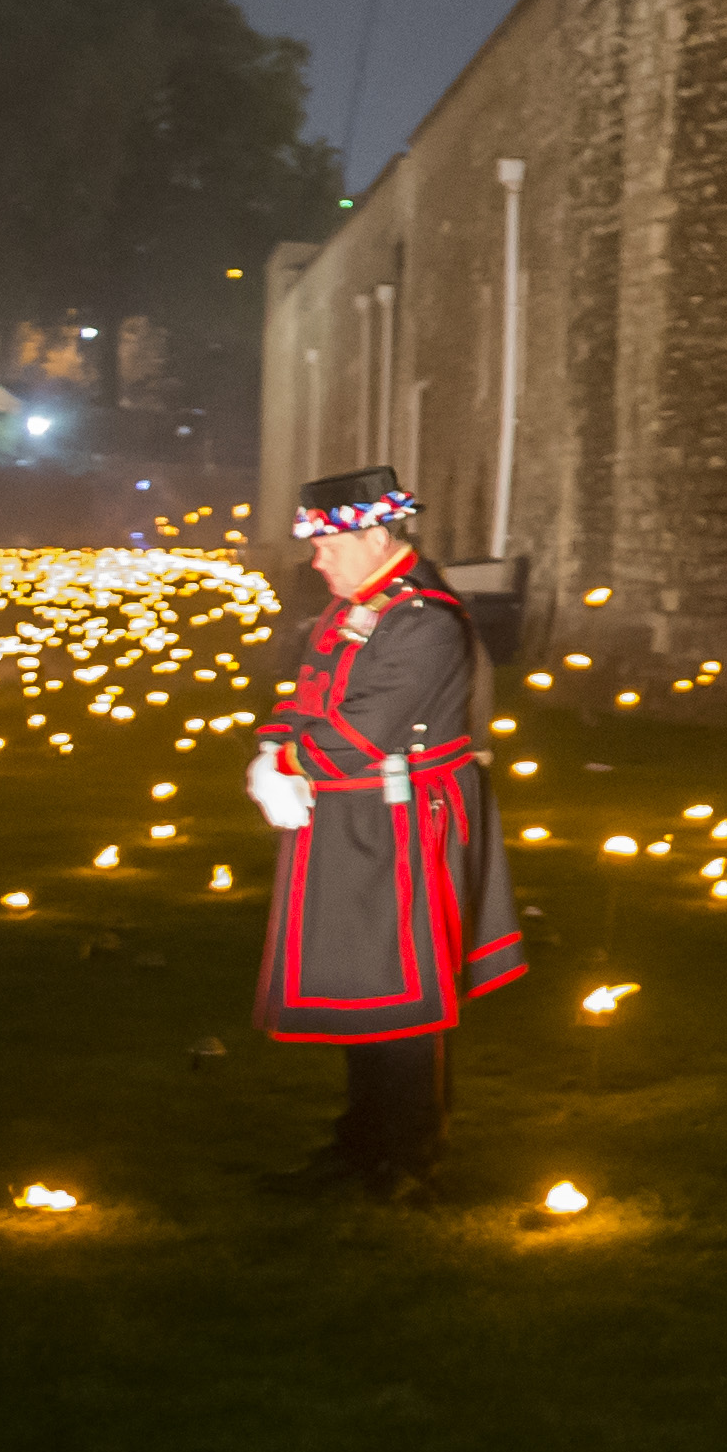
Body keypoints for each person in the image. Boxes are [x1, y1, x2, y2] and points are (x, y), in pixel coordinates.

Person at [247, 469, 525, 1183]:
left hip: (404, 825)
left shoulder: (422, 618)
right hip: (354, 815)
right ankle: (360, 1139)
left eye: (328, 546)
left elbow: (365, 728)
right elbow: (310, 694)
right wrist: (271, 749)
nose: (317, 561)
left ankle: (404, 1153)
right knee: (360, 983)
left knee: (401, 991)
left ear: (375, 537)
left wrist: (289, 762)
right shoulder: (356, 607)